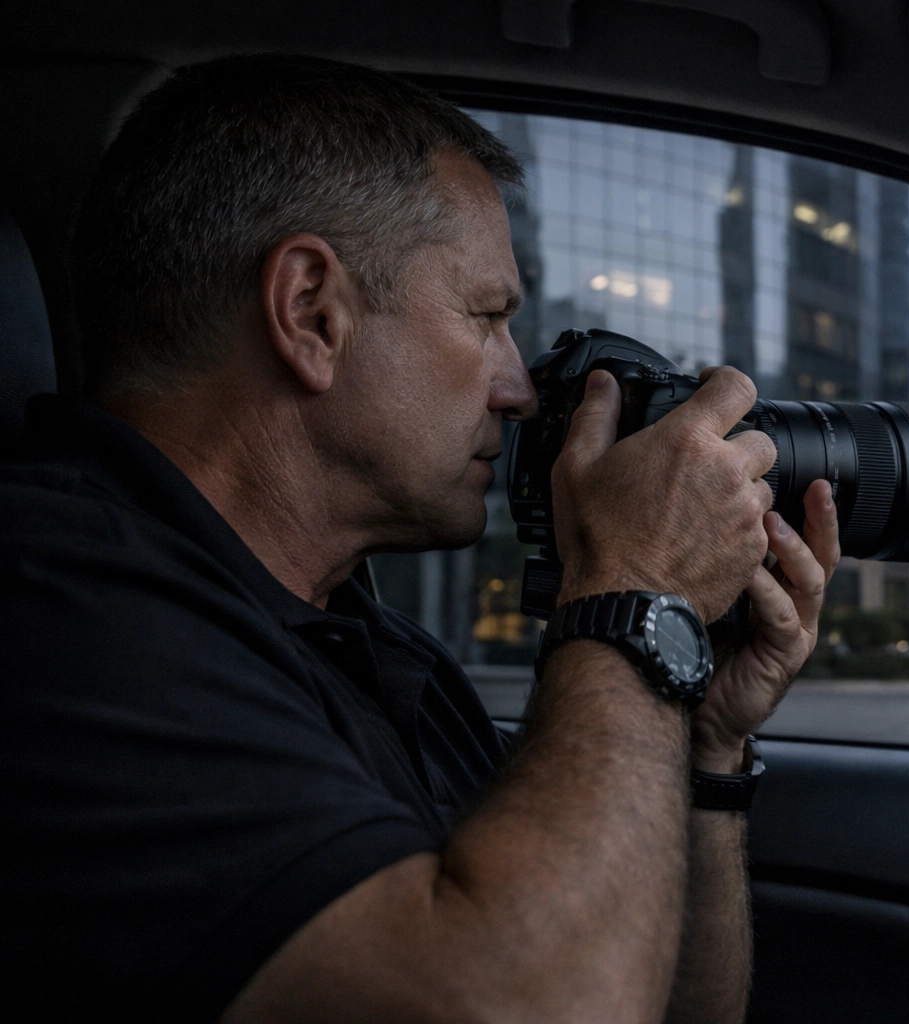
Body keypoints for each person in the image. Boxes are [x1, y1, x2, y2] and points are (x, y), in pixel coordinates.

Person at [0, 54, 838, 1023]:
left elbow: (663, 1005)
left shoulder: (381, 654)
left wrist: (699, 736)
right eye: (487, 317)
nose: (519, 390)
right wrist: (639, 596)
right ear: (312, 312)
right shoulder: (56, 612)